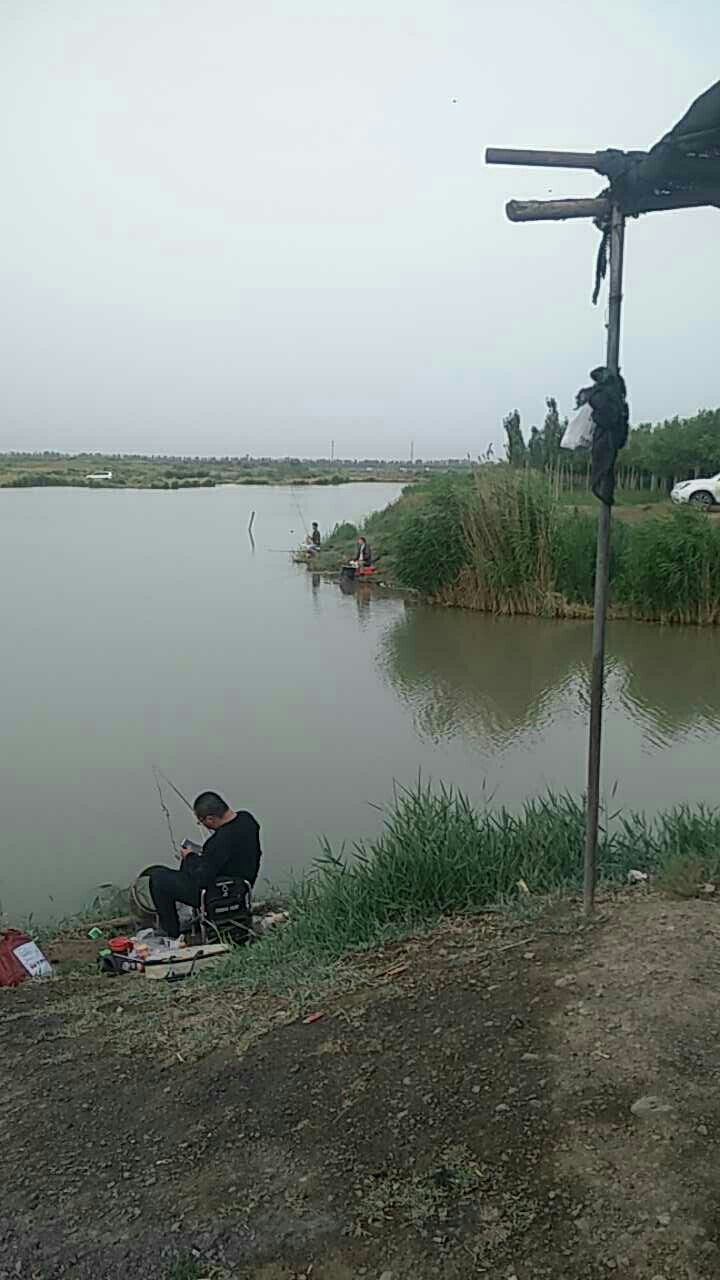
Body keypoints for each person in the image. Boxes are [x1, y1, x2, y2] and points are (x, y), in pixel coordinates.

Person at [149, 791, 262, 938]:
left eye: (201, 821)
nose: (202, 825)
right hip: (243, 887)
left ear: (210, 818)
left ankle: (171, 932)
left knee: (158, 878)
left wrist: (190, 857)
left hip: (218, 893)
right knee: (185, 867)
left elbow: (202, 879)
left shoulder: (218, 842)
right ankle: (196, 920)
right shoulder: (248, 820)